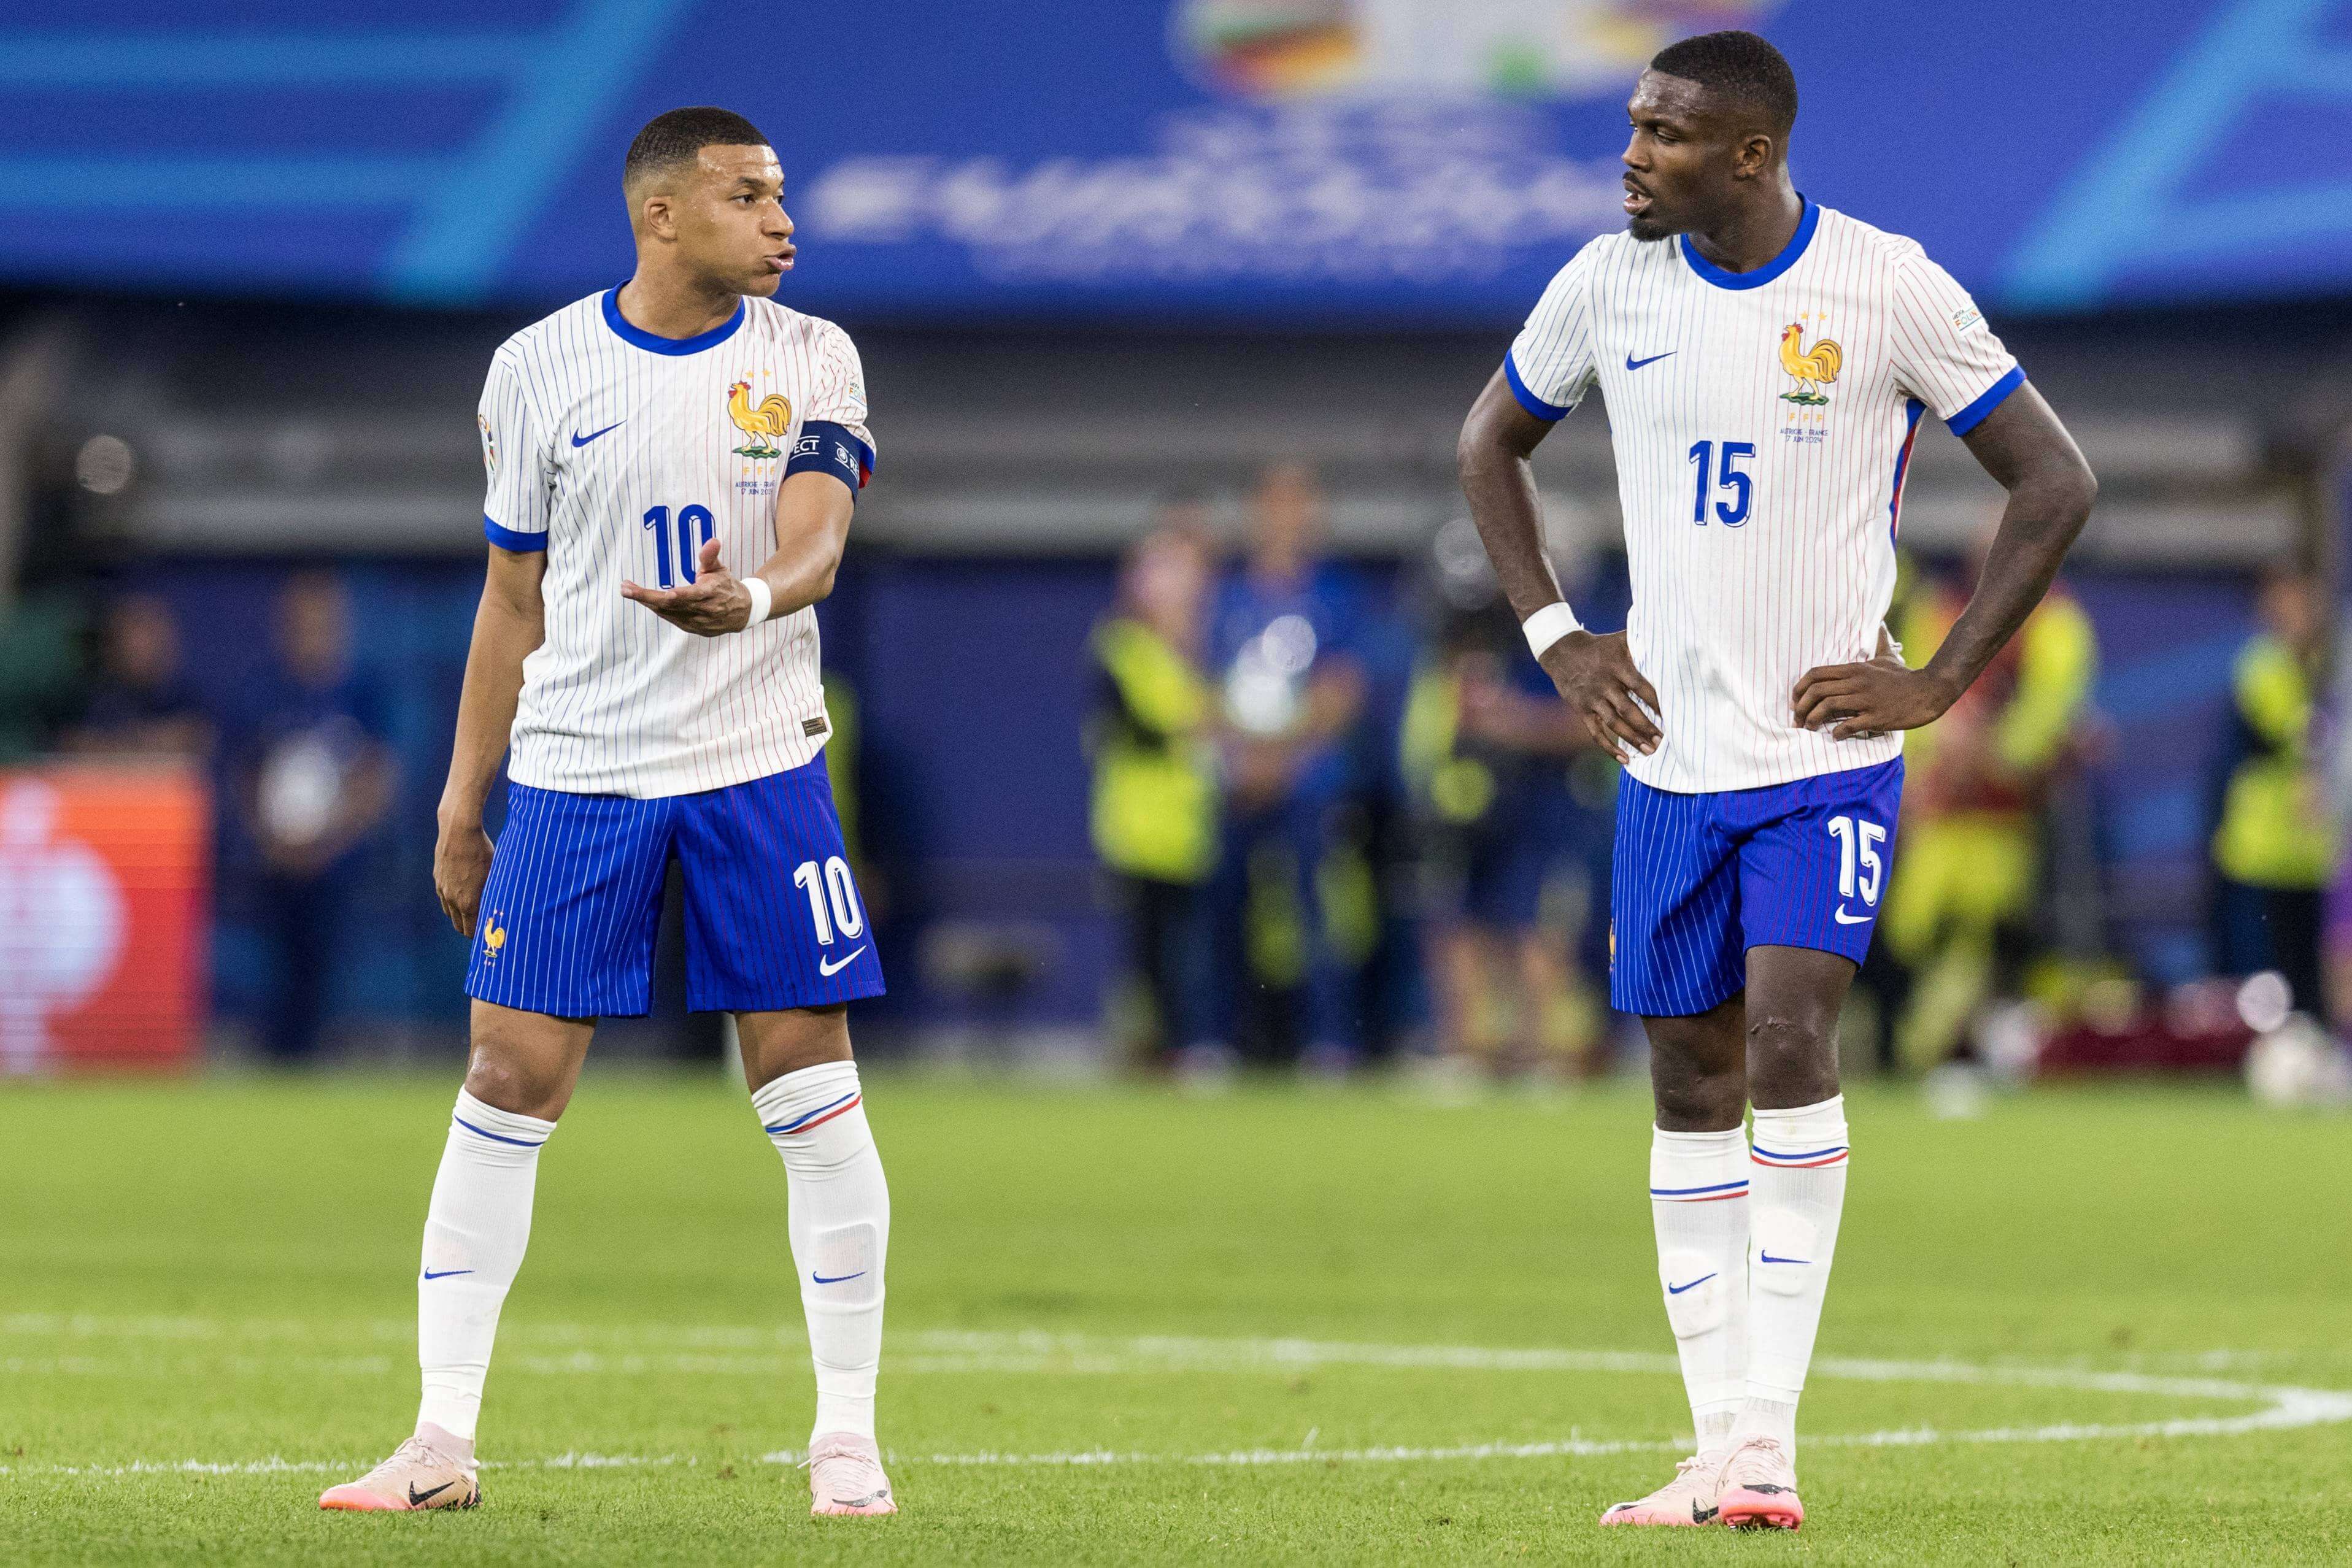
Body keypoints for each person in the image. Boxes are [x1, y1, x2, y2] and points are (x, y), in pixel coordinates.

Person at [1456, 31, 2096, 1531]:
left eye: (1662, 134)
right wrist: (1555, 636)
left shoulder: (1882, 284)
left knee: (1792, 1041)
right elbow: (1488, 445)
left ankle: (1764, 1441)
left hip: (1824, 759)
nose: (1630, 155)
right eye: (1630, 125)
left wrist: (1936, 679)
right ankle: (1709, 1445)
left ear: (1746, 155)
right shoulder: (1604, 285)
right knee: (1687, 1080)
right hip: (1669, 762)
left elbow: (2054, 478)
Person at [320, 107, 896, 1520]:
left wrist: (748, 597)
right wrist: (469, 795)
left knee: (804, 1083)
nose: (780, 219)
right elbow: (511, 598)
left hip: (757, 762)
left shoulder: (811, 353)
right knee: (507, 1076)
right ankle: (439, 1441)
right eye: (746, 196)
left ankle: (845, 1440)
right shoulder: (537, 370)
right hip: (577, 770)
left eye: (782, 192)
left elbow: (818, 537)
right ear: (659, 215)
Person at [1875, 544, 2099, 1070]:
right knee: (1907, 933)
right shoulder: (1941, 606)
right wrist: (1934, 756)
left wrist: (1990, 754)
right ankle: (1910, 1048)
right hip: (1942, 817)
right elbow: (1917, 701)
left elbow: (2050, 708)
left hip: (2007, 818)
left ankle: (1949, 1052)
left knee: (1988, 932)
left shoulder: (2054, 617)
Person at [1205, 463, 1370, 1070]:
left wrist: (1280, 758)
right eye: (1273, 503)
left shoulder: (1335, 597)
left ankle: (1330, 1042)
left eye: (1297, 504)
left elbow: (1342, 691)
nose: (1285, 518)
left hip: (1310, 782)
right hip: (1234, 783)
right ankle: (1219, 1043)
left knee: (1317, 914)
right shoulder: (1224, 597)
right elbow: (1203, 685)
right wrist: (1239, 757)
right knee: (1223, 915)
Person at [1402, 605, 1599, 1078]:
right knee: (1462, 925)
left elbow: (1588, 724)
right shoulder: (1446, 661)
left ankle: (1541, 1052)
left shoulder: (1557, 647)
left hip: (1543, 810)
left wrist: (1516, 723)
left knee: (1536, 930)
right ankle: (1470, 1049)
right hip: (1465, 812)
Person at [235, 573, 395, 1061]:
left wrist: (331, 843)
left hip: (337, 864)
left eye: (322, 621)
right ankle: (275, 1058)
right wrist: (271, 841)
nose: (312, 631)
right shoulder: (265, 690)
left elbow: (378, 777)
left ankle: (320, 1060)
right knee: (275, 970)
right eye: (302, 621)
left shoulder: (361, 692)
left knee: (326, 972)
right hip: (274, 864)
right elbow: (245, 772)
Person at [1086, 514, 1220, 1067]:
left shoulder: (1207, 647)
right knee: (1149, 959)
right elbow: (1158, 725)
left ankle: (1193, 1048)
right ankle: (1147, 1054)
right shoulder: (1121, 646)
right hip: (1140, 832)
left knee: (1196, 956)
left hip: (1200, 828)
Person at [2209, 566, 2340, 1015]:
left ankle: (2315, 1044)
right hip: (2261, 846)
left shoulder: (2330, 661)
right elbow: (2296, 728)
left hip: (2314, 848)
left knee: (2311, 964)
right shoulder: (2261, 663)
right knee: (2262, 967)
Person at [66, 594, 210, 759]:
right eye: (130, 637)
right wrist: (148, 743)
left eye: (150, 635)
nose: (141, 646)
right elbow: (78, 746)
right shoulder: (100, 700)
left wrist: (121, 745)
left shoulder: (184, 698)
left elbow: (193, 740)